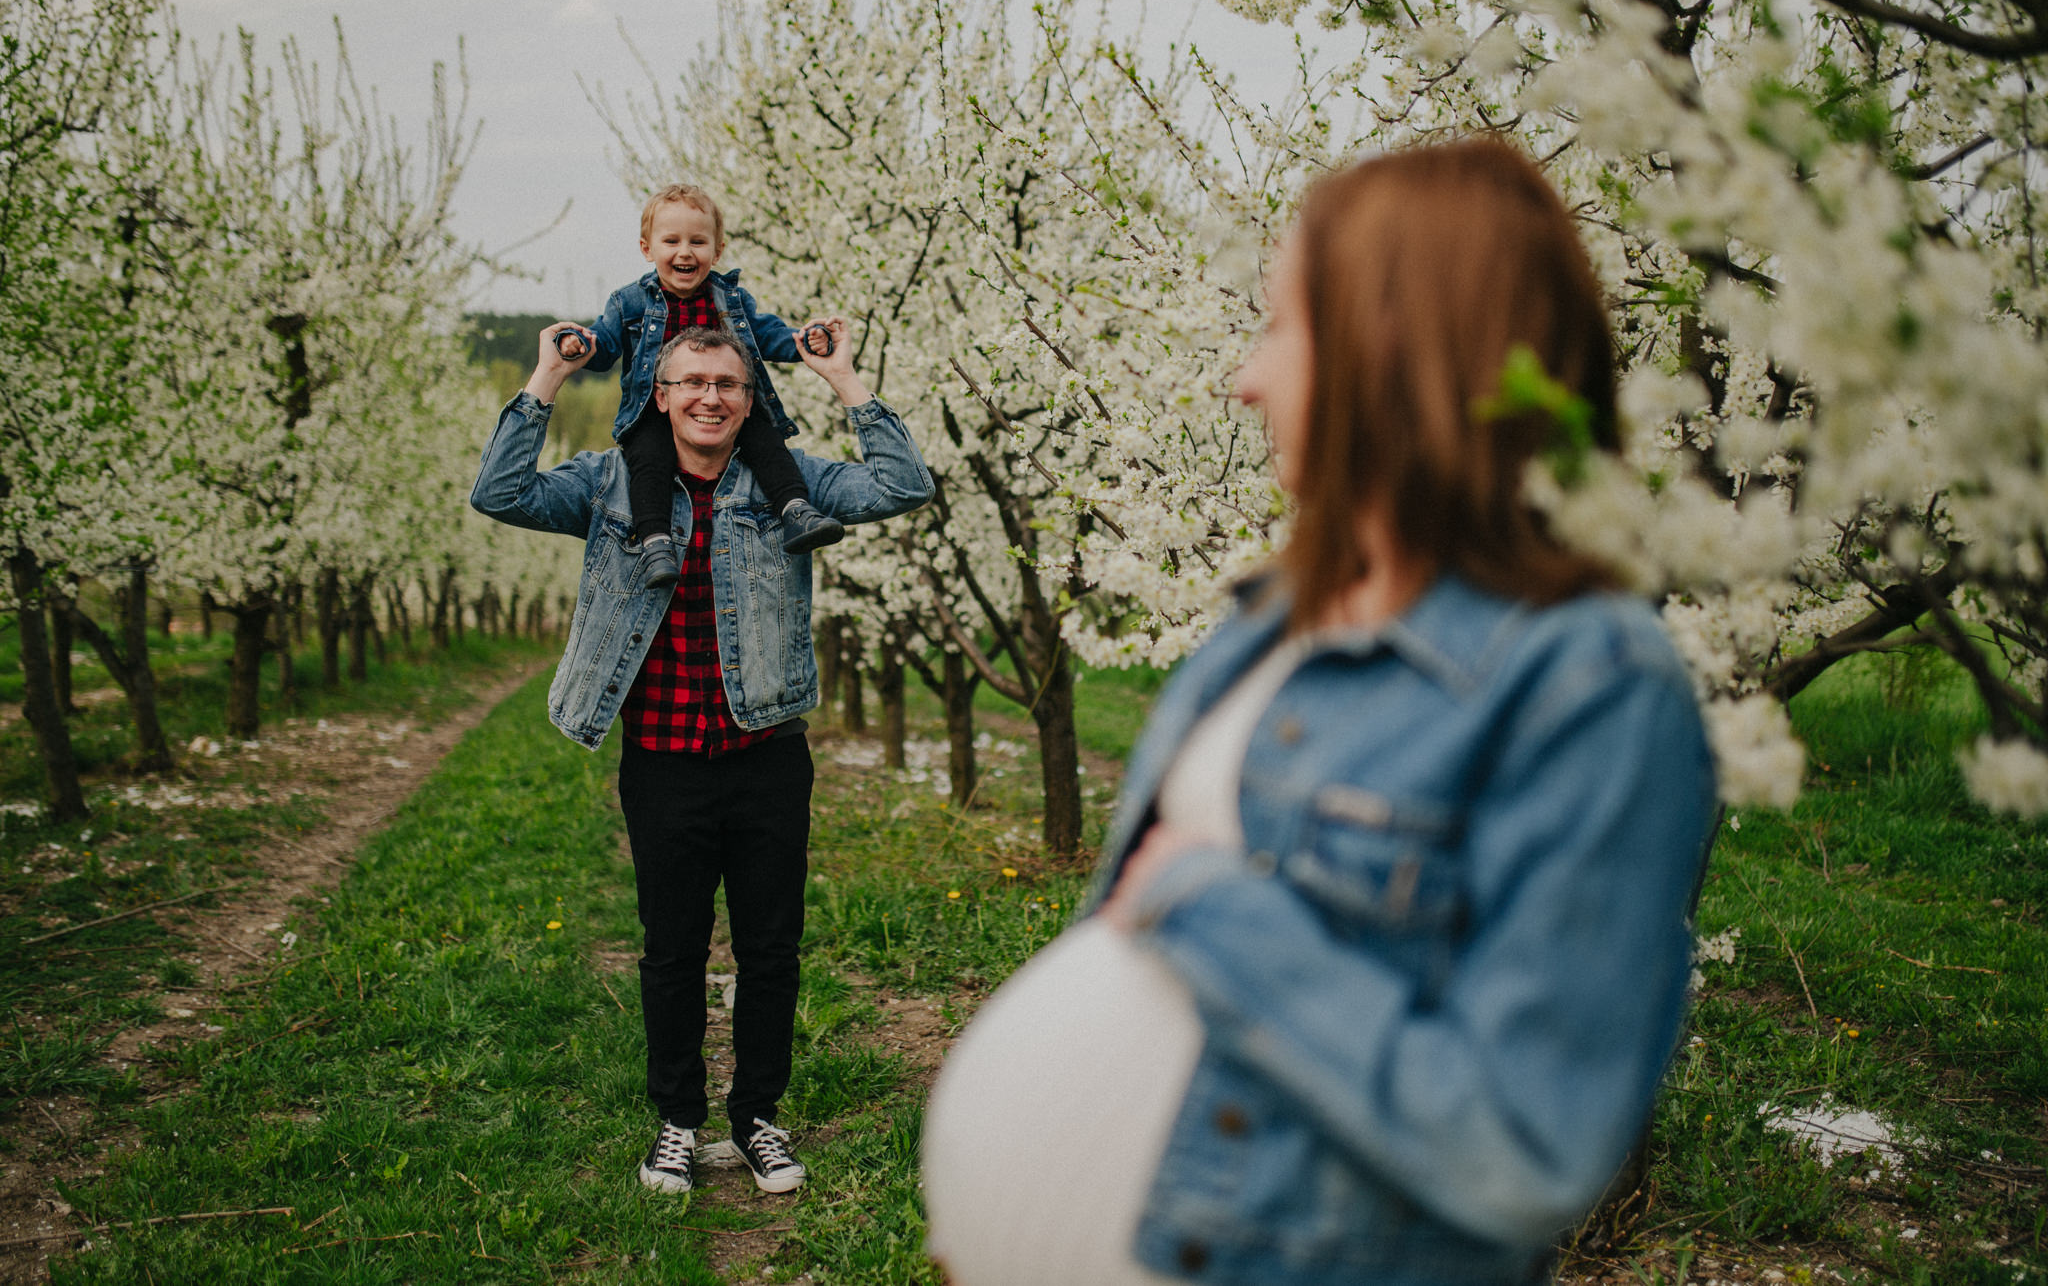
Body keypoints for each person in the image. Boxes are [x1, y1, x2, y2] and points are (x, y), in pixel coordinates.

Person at [921, 139, 1718, 1284]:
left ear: (1386, 343)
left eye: (1275, 328)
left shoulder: (1587, 681)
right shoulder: (1276, 614)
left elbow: (1521, 1142)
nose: (1243, 379)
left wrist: (1212, 916)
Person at [471, 316, 933, 1197]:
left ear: (749, 400)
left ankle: (757, 1118)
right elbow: (498, 492)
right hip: (663, 760)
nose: (710, 398)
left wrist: (843, 380)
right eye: (693, 383)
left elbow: (905, 485)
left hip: (766, 755)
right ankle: (677, 1124)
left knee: (770, 950)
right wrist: (544, 378)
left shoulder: (785, 482)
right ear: (662, 394)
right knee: (672, 951)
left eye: (728, 385)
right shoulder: (612, 484)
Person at [554, 182, 846, 590]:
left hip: (726, 404)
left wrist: (804, 341)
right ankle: (656, 542)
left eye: (698, 241)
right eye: (671, 240)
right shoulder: (630, 303)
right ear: (647, 248)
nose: (685, 252)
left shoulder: (730, 299)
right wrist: (580, 345)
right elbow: (604, 347)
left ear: (718, 250)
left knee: (766, 440)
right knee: (648, 460)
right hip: (653, 409)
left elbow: (767, 335)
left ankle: (796, 510)